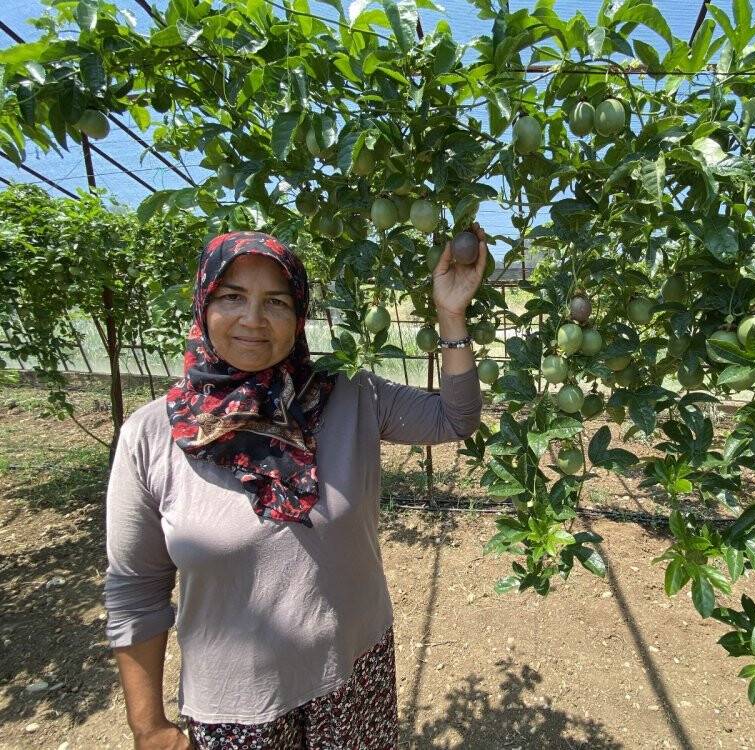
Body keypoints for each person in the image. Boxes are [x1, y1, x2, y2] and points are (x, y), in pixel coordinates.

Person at [103, 226, 488, 749]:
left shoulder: (350, 395)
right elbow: (136, 590)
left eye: (276, 302)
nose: (253, 320)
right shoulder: (150, 437)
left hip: (355, 669)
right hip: (240, 705)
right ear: (202, 303)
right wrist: (148, 726)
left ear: (300, 314)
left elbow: (454, 417)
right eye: (233, 297)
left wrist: (450, 315)